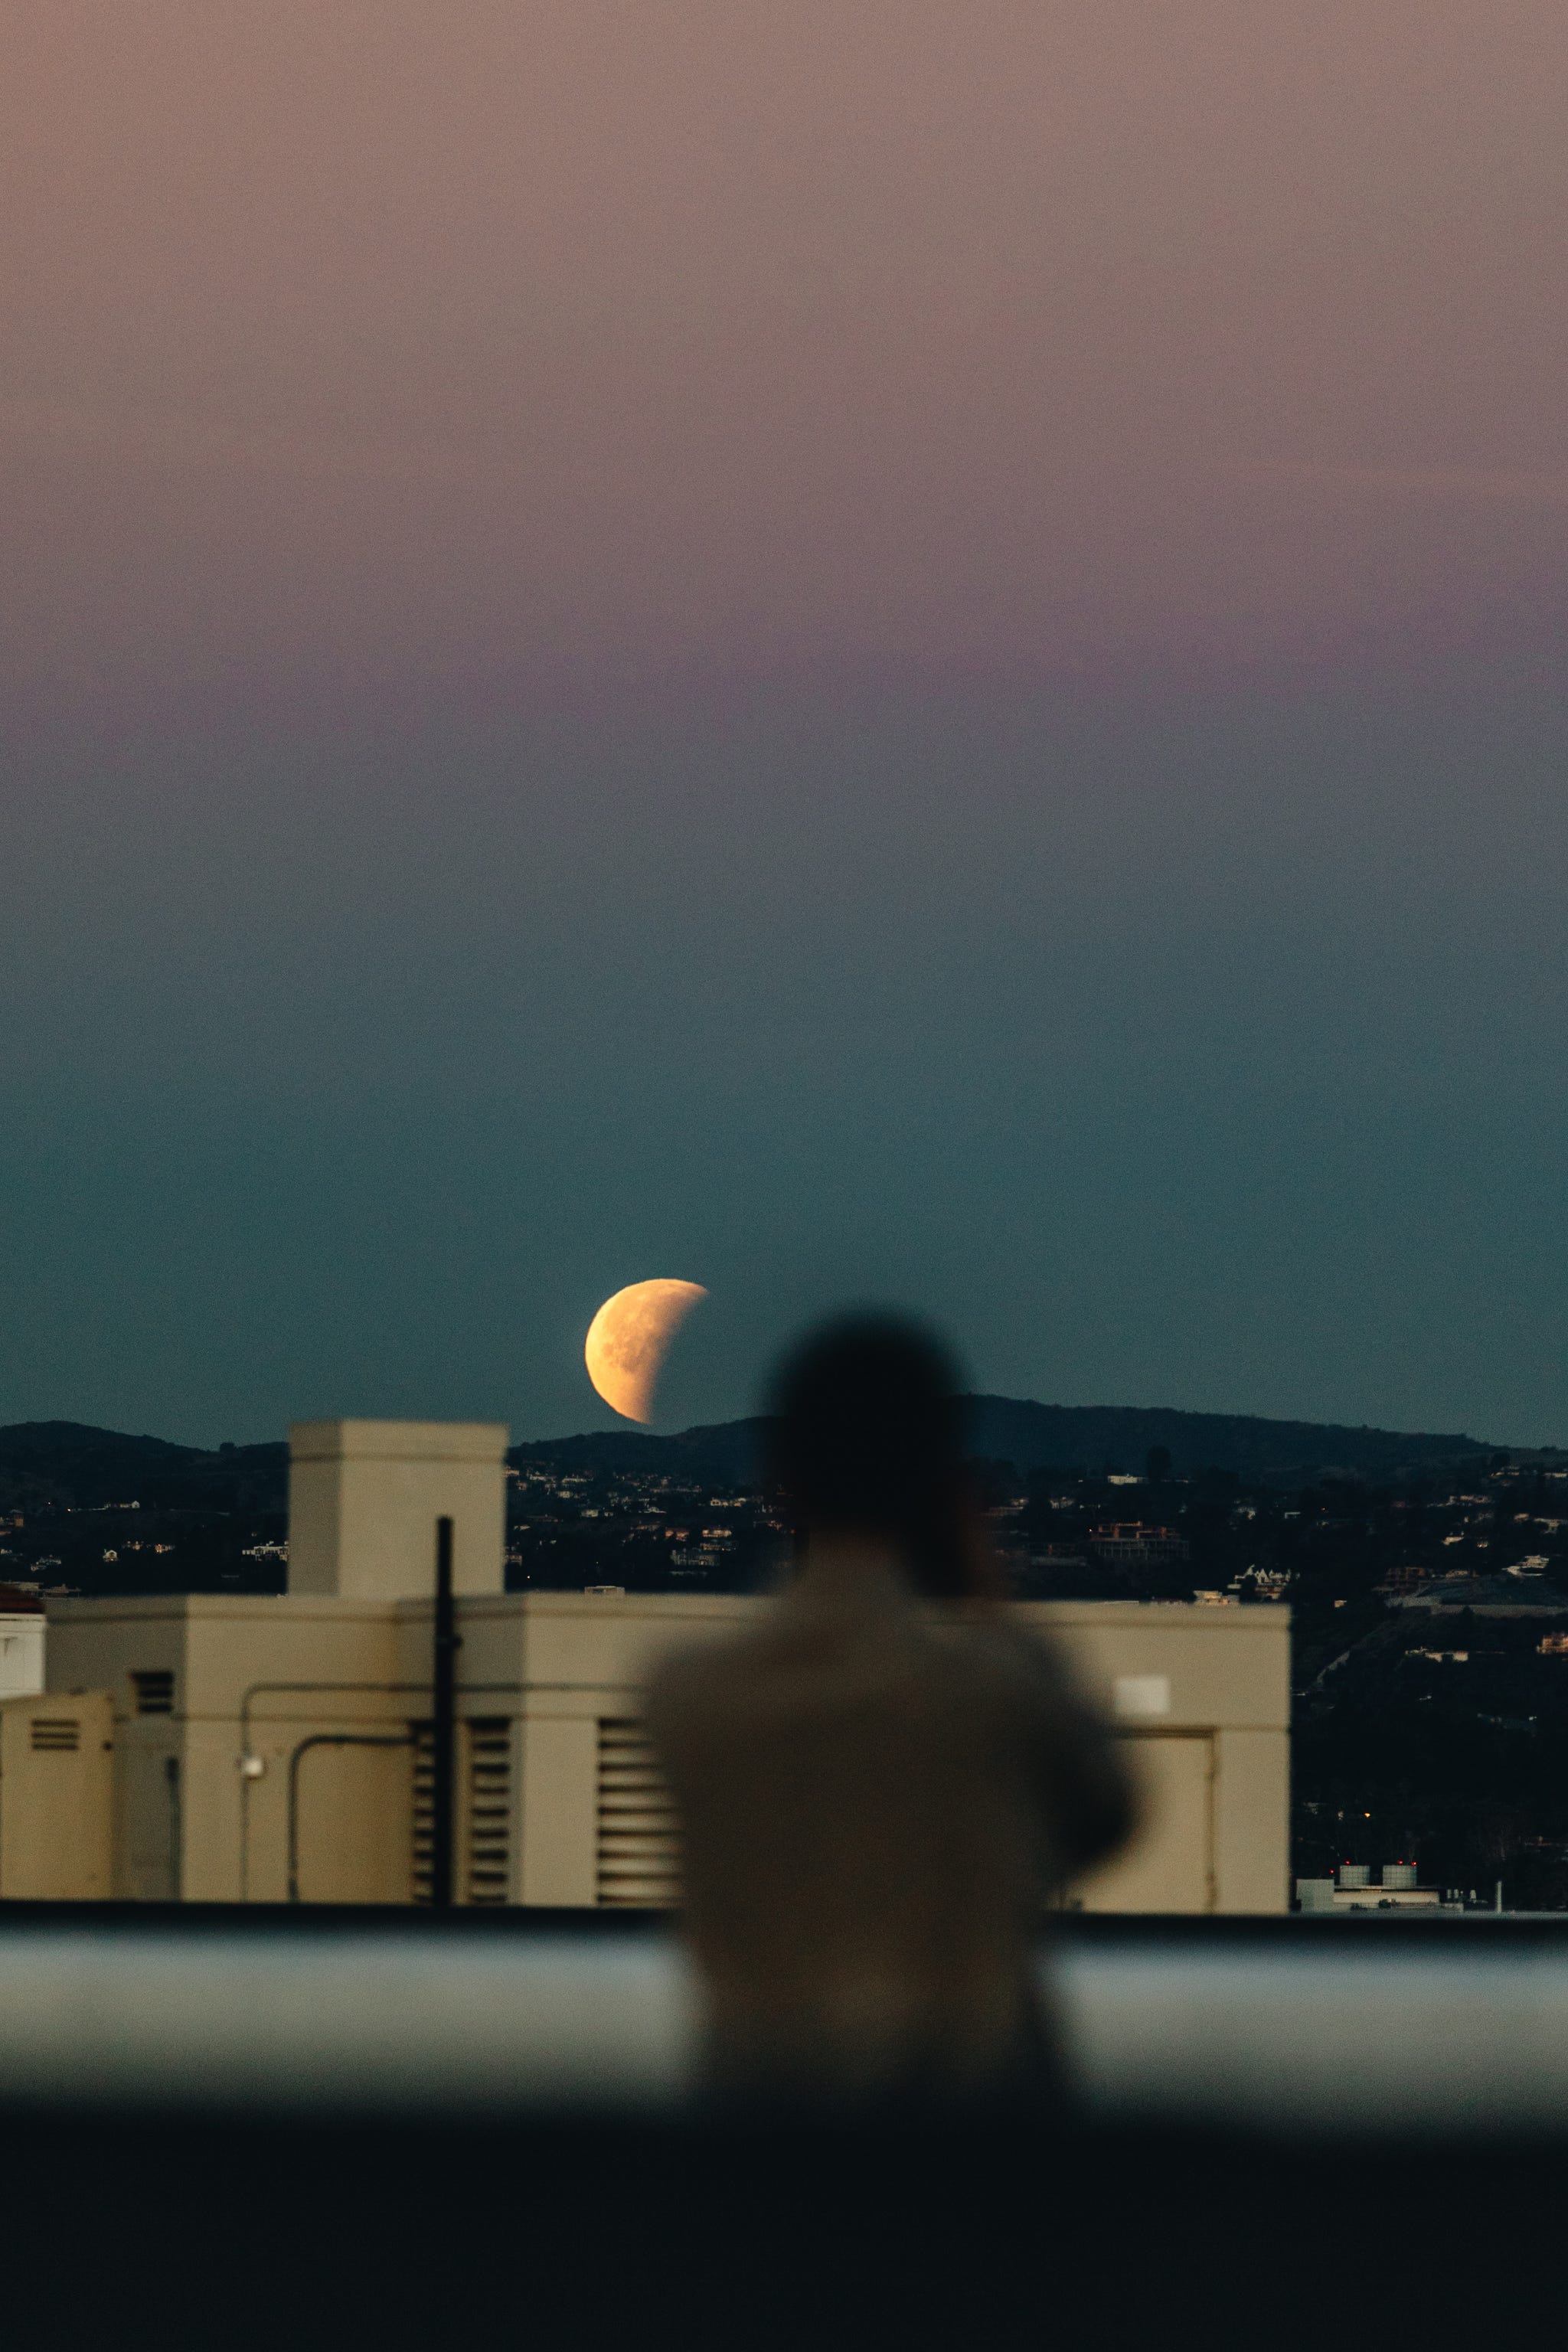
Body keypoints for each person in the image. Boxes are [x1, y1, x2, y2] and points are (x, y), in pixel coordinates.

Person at [645, 1315, 1138, 2109]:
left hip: (758, 2147)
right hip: (971, 2149)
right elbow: (1105, 1816)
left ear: (783, 1481)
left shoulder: (687, 1698)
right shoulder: (994, 1689)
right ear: (938, 1484)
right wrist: (992, 1598)